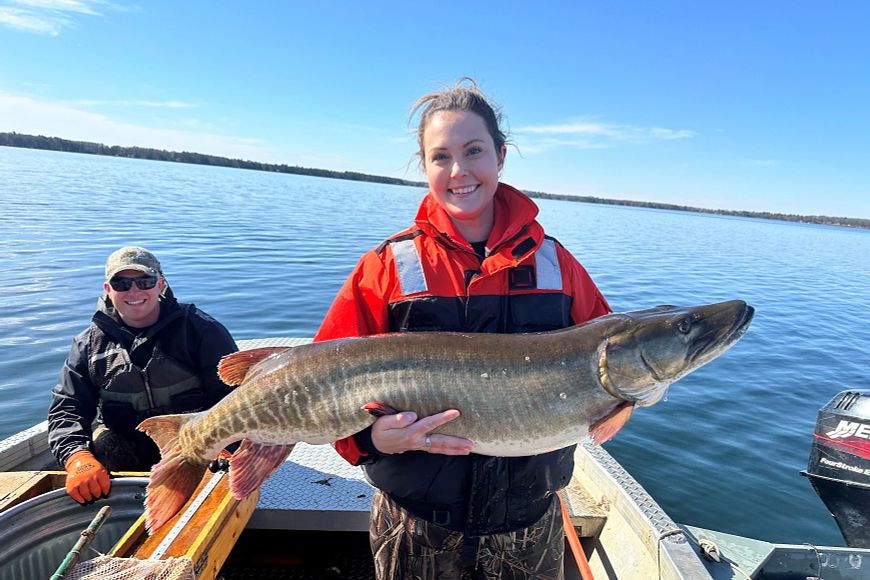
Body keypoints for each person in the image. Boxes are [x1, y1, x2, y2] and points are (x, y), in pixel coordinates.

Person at [315, 79, 611, 579]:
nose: (458, 171)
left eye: (473, 151)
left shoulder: (558, 266)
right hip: (416, 521)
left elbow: (607, 362)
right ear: (425, 166)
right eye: (440, 156)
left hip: (528, 522)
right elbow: (323, 383)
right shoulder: (387, 266)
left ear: (500, 156)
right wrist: (373, 442)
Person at [48, 246, 238, 504]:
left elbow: (237, 397)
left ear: (160, 285)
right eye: (121, 283)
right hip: (125, 446)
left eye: (144, 281)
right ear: (108, 289)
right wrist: (77, 458)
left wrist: (226, 446)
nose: (134, 291)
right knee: (88, 474)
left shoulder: (201, 330)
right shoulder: (87, 345)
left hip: (199, 443)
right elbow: (68, 407)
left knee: (221, 490)